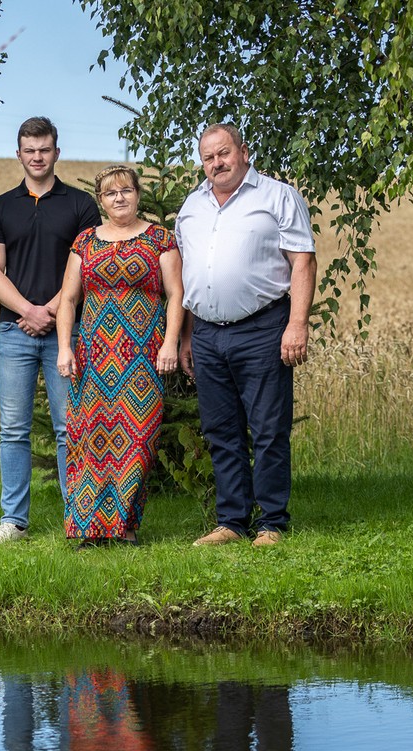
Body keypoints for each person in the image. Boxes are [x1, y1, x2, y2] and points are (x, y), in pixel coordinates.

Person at [176, 123, 317, 547]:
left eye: (224, 153)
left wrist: (297, 323)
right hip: (205, 334)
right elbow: (185, 276)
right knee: (221, 431)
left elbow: (303, 262)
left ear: (244, 152)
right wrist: (185, 338)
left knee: (268, 428)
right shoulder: (192, 206)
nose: (216, 163)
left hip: (262, 328)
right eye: (208, 157)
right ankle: (231, 522)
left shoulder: (276, 196)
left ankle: (272, 523)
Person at [0, 117, 102, 549]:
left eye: (45, 149)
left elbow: (88, 266)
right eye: (30, 150)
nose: (37, 157)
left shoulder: (81, 205)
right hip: (14, 332)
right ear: (18, 154)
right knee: (13, 429)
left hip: (66, 333)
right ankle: (14, 522)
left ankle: (79, 519)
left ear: (56, 152)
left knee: (71, 427)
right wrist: (28, 310)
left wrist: (50, 311)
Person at [56, 165, 184, 547]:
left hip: (143, 356)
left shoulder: (160, 239)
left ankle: (124, 526)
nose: (119, 198)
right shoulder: (85, 242)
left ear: (137, 194)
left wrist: (171, 343)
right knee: (89, 436)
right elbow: (68, 298)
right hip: (94, 358)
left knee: (136, 439)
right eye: (111, 193)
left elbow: (176, 295)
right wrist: (65, 346)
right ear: (101, 200)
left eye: (126, 191)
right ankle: (89, 528)